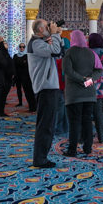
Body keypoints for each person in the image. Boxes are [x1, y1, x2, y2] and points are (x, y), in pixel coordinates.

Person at [27, 18, 63, 168]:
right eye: (47, 26)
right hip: (45, 88)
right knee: (45, 125)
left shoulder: (41, 42)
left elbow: (58, 53)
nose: (50, 27)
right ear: (40, 29)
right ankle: (40, 159)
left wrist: (56, 35)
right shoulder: (35, 43)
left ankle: (42, 157)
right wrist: (54, 35)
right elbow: (54, 50)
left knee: (48, 124)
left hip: (49, 87)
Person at [62, 30, 102, 156]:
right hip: (89, 94)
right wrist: (88, 81)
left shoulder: (69, 52)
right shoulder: (91, 53)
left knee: (74, 122)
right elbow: (99, 71)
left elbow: (67, 71)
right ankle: (88, 148)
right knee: (87, 121)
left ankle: (72, 149)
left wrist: (81, 80)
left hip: (74, 95)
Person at [88, 33, 103, 144]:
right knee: (98, 114)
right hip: (102, 86)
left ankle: (87, 137)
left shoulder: (89, 52)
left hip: (90, 85)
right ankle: (101, 137)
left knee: (87, 114)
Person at [13, 43, 36, 111]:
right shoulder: (15, 56)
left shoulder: (27, 56)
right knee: (18, 89)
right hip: (17, 76)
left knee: (28, 91)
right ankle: (20, 102)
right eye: (20, 47)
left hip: (26, 77)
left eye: (23, 47)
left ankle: (32, 106)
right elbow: (14, 66)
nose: (22, 48)